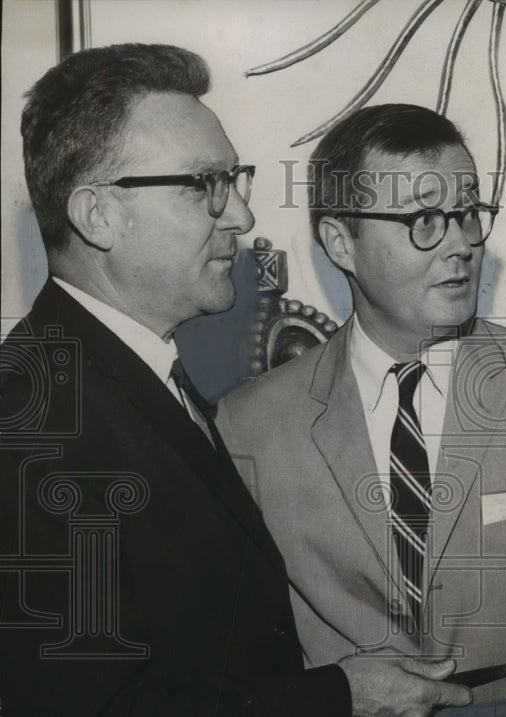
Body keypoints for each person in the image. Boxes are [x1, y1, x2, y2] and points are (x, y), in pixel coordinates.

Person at [0, 44, 471, 716]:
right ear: (96, 213)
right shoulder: (32, 418)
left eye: (236, 179)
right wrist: (339, 694)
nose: (242, 217)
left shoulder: (127, 376)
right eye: (203, 184)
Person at [215, 103, 506, 714]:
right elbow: (243, 664)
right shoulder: (248, 425)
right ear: (341, 241)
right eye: (424, 219)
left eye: (468, 213)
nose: (460, 244)